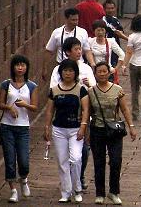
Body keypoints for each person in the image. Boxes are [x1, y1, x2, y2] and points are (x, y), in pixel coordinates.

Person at [88, 62, 136, 205]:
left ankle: (114, 192)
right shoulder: (91, 91)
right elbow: (87, 112)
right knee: (99, 162)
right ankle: (100, 193)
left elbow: (125, 109)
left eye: (104, 71)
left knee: (116, 160)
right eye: (99, 72)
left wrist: (131, 126)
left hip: (114, 129)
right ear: (95, 74)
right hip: (97, 129)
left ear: (109, 73)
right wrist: (85, 131)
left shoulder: (118, 90)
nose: (102, 74)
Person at [45, 59, 90, 203]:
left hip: (75, 129)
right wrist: (47, 127)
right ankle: (66, 192)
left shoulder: (80, 89)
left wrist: (83, 126)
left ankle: (77, 189)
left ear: (75, 73)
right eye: (65, 71)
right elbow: (50, 110)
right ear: (61, 73)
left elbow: (85, 110)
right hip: (59, 129)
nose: (68, 73)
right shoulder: (55, 90)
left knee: (76, 158)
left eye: (70, 71)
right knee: (62, 161)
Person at [0, 54, 39, 203]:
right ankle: (13, 190)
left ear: (26, 67)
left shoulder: (32, 86)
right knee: (9, 158)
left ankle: (24, 179)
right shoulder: (6, 84)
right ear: (13, 67)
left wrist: (24, 105)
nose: (20, 68)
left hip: (23, 127)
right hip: (7, 126)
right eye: (17, 65)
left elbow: (34, 107)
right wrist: (9, 108)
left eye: (23, 65)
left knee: (23, 159)